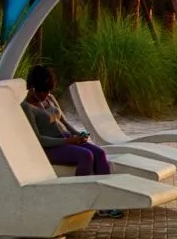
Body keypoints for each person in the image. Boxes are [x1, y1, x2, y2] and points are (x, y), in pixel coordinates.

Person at [22, 65, 124, 217]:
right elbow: (39, 139)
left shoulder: (49, 99)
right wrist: (67, 142)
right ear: (32, 88)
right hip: (51, 147)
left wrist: (78, 135)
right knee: (86, 156)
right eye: (44, 91)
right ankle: (81, 203)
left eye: (49, 90)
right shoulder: (26, 107)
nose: (47, 94)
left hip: (67, 139)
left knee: (99, 153)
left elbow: (64, 122)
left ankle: (106, 202)